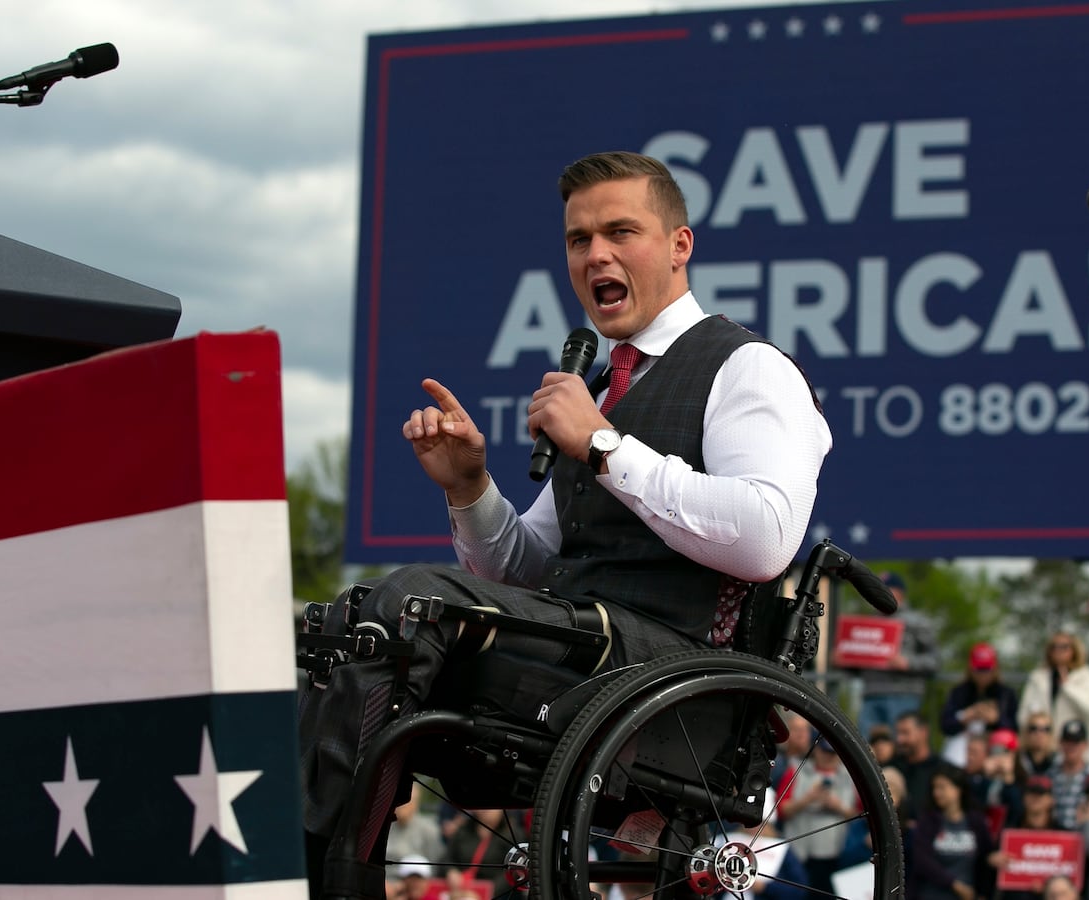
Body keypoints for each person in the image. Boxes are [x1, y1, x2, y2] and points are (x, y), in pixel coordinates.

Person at [297, 151, 831, 898]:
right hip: (583, 648)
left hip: (675, 675)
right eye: (579, 240)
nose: (596, 255)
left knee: (406, 607)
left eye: (621, 232)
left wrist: (605, 447)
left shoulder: (747, 369)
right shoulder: (600, 390)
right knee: (345, 625)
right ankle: (310, 865)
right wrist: (469, 489)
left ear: (680, 246)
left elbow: (768, 538)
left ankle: (327, 882)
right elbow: (522, 573)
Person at [852, 572, 940, 733]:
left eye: (885, 590)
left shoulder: (917, 621)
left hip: (904, 695)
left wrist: (908, 663)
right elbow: (858, 667)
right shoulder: (867, 623)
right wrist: (844, 659)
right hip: (870, 695)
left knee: (901, 746)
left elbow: (935, 661)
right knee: (864, 748)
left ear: (900, 593)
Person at [777, 731, 857, 895]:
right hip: (800, 853)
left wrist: (837, 806)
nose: (829, 757)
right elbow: (781, 810)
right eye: (825, 751)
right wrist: (807, 799)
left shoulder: (850, 777)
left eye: (833, 753)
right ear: (815, 749)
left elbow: (860, 815)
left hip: (835, 855)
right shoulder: (795, 770)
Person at [1019, 631, 1089, 767]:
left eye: (1064, 647)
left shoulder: (1086, 677)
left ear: (1074, 650)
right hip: (1045, 753)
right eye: (1054, 647)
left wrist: (1069, 687)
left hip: (1078, 752)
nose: (1058, 651)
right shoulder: (1038, 678)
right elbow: (1023, 716)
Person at [909, 767, 996, 900]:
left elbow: (985, 856)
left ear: (958, 789)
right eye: (934, 788)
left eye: (942, 787)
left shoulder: (975, 821)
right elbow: (922, 860)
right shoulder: (928, 821)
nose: (936, 793)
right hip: (931, 895)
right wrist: (954, 885)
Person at [941, 642, 1020, 766]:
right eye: (979, 669)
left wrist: (996, 720)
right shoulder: (959, 692)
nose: (983, 674)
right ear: (971, 669)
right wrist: (965, 716)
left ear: (995, 669)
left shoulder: (1006, 694)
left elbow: (1014, 729)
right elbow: (945, 725)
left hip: (993, 744)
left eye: (987, 669)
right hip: (965, 744)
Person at [1049, 721, 1089, 831]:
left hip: (1084, 836)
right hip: (1054, 834)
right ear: (1060, 743)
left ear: (1086, 745)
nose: (1071, 747)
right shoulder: (1050, 774)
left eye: (1076, 742)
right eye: (1067, 741)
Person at [896, 711, 945, 823]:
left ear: (923, 732)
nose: (900, 739)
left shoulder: (940, 769)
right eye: (898, 733)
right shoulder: (895, 767)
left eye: (905, 733)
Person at [1019, 712, 1058, 777]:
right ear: (1026, 733)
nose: (1039, 734)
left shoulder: (1059, 764)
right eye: (1033, 728)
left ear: (1051, 734)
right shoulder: (1017, 763)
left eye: (1046, 729)